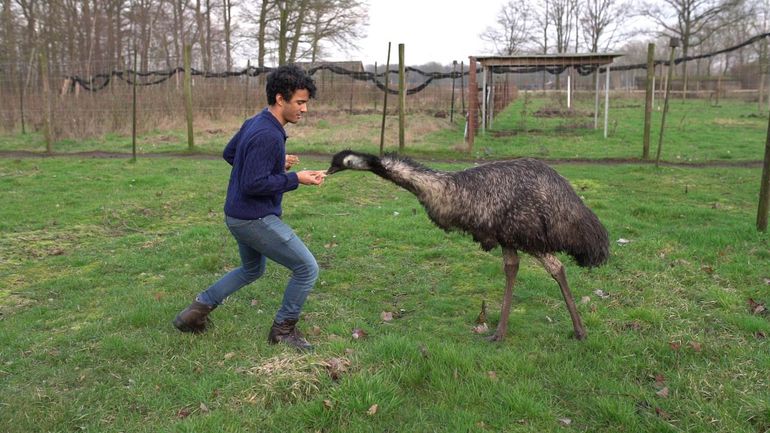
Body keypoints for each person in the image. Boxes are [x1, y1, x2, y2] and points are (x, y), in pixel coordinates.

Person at [173, 65, 326, 351]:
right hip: (253, 218)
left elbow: (230, 153)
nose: (304, 109)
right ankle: (283, 330)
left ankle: (194, 313)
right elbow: (253, 184)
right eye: (300, 102)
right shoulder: (268, 135)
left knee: (252, 269)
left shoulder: (255, 122)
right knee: (306, 268)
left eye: (306, 103)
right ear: (281, 99)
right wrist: (296, 178)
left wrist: (275, 165)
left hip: (236, 214)